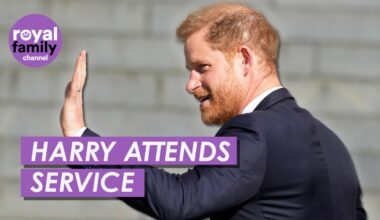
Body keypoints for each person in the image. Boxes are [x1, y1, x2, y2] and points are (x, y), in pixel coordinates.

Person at [60, 2, 366, 220]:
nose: (191, 84)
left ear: (244, 60)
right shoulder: (333, 145)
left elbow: (180, 200)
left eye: (202, 67)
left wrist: (80, 139)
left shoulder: (255, 133)